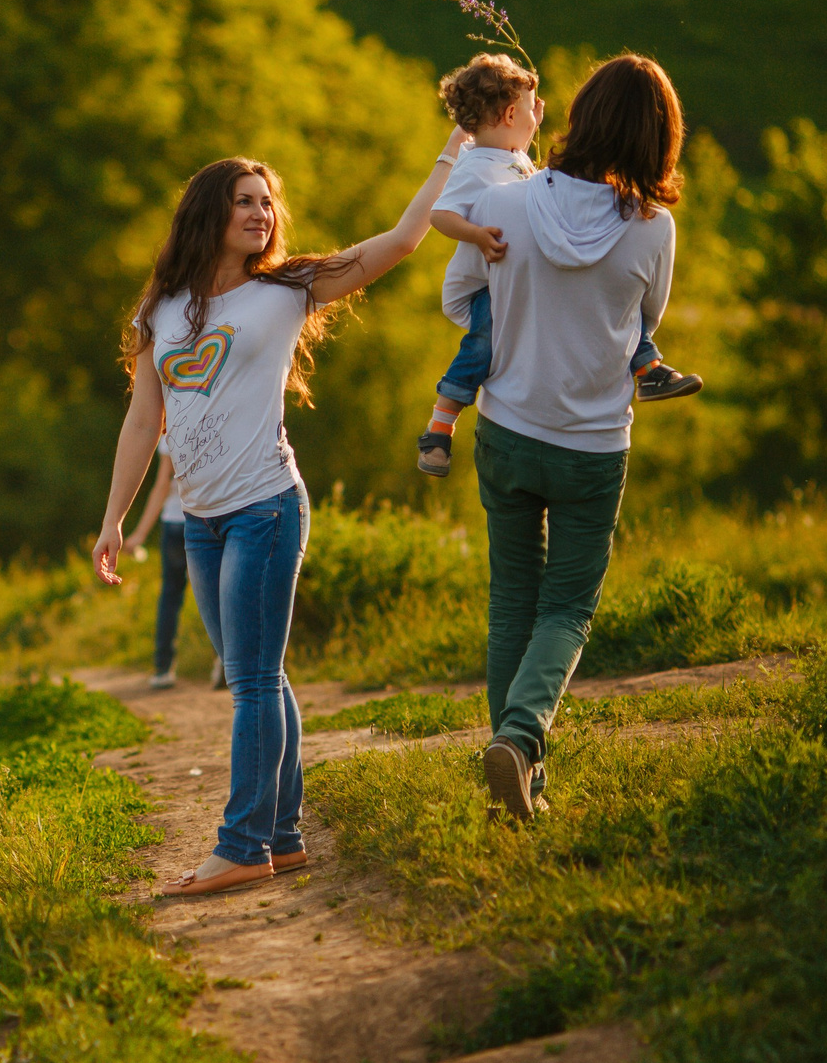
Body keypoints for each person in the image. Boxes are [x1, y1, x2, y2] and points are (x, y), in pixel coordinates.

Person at [94, 142, 468, 895]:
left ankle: (243, 843)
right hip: (201, 522)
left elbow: (401, 241)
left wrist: (452, 151)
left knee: (253, 680)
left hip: (265, 507)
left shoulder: (288, 288)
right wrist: (114, 520)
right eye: (245, 201)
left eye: (267, 202)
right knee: (259, 675)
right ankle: (285, 837)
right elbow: (141, 421)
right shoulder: (160, 309)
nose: (261, 213)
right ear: (208, 214)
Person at [465, 54, 683, 821]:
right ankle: (521, 741)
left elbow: (470, 299)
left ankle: (517, 786)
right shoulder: (654, 230)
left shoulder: (506, 202)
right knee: (566, 610)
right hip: (592, 444)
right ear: (660, 137)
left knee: (511, 604)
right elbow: (646, 324)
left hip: (506, 429)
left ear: (579, 116)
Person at [417, 54, 702, 480]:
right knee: (480, 345)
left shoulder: (512, 162)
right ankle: (440, 427)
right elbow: (441, 215)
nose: (539, 118)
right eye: (530, 110)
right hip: (593, 433)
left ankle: (648, 368)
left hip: (510, 421)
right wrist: (477, 236)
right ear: (509, 115)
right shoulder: (477, 166)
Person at [122, 438, 191, 688]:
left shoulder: (170, 428)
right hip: (208, 518)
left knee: (170, 595)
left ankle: (163, 668)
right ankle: (227, 662)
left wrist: (140, 534)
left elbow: (163, 483)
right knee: (217, 593)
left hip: (174, 521)